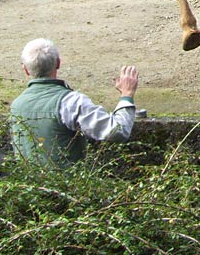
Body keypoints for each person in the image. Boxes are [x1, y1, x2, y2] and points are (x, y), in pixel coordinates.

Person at [10, 38, 139, 168]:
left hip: (29, 185)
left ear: (25, 69)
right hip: (67, 186)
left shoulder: (16, 106)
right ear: (58, 63)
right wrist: (127, 95)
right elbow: (116, 131)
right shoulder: (71, 102)